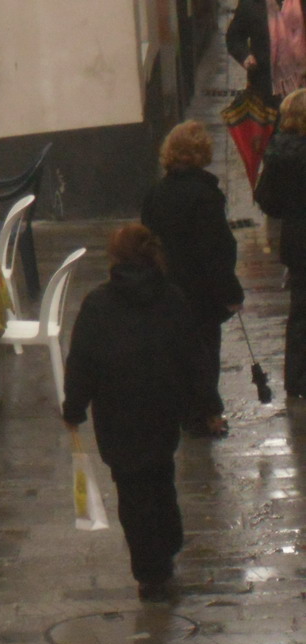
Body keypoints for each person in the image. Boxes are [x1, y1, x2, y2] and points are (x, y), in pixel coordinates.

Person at [62, 224, 220, 602]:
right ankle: (167, 542)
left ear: (114, 258)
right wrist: (208, 405)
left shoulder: (97, 305)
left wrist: (74, 407)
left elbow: (82, 362)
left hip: (116, 413)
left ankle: (150, 570)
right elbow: (194, 357)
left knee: (132, 490)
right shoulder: (173, 299)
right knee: (161, 475)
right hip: (163, 408)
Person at [141, 120, 245, 436]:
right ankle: (205, 415)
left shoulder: (155, 194)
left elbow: (148, 242)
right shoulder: (205, 195)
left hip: (167, 287)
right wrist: (231, 292)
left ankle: (187, 411)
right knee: (204, 354)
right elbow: (217, 249)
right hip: (201, 292)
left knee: (178, 355)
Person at [256, 88, 306, 396]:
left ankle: (296, 379)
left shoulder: (278, 152)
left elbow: (265, 199)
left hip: (296, 237)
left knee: (299, 312)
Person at [227, 0, 306, 107]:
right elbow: (234, 37)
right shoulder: (251, 4)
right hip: (265, 88)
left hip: (302, 84)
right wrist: (246, 56)